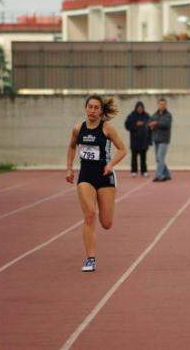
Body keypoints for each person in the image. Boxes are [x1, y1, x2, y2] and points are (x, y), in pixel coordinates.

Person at [66, 95, 127, 272]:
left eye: (96, 108)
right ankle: (90, 259)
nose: (92, 110)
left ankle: (103, 204)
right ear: (85, 108)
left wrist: (110, 164)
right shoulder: (78, 129)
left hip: (104, 176)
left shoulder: (107, 128)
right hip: (86, 176)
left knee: (106, 223)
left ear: (101, 111)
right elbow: (71, 147)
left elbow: (122, 150)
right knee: (89, 215)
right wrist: (69, 168)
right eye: (90, 107)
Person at [124, 101, 151, 177]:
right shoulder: (131, 116)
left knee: (143, 157)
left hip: (144, 140)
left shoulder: (146, 115)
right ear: (136, 108)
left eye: (141, 108)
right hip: (134, 140)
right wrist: (136, 124)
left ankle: (144, 171)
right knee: (134, 157)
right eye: (138, 108)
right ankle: (134, 171)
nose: (140, 109)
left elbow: (150, 125)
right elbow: (127, 125)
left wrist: (144, 124)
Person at [149, 98, 173, 182]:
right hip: (156, 139)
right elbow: (149, 124)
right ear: (158, 105)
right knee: (159, 158)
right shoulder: (154, 115)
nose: (162, 106)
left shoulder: (168, 115)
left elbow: (166, 124)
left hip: (164, 140)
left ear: (166, 105)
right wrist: (151, 125)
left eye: (163, 104)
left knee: (160, 157)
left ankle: (158, 175)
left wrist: (156, 123)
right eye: (160, 104)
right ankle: (168, 174)